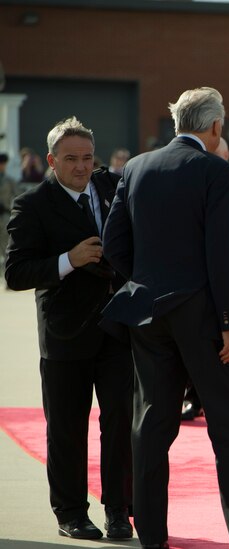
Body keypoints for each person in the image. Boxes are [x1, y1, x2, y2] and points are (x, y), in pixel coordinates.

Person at [102, 88, 229, 549]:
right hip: (203, 316)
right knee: (228, 424)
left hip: (147, 313)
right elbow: (220, 254)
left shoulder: (138, 167)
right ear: (214, 127)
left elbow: (112, 245)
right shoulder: (213, 169)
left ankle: (150, 536)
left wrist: (145, 280)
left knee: (151, 426)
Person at [5, 118, 133, 541]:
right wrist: (68, 260)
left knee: (119, 424)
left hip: (117, 330)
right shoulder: (32, 205)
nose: (81, 167)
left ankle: (118, 510)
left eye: (87, 158)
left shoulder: (113, 188)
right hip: (64, 335)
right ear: (51, 161)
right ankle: (71, 513)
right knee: (66, 429)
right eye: (71, 159)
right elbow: (16, 272)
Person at [180, 137, 229, 422]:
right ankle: (193, 400)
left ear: (228, 156)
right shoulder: (192, 188)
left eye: (218, 154)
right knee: (192, 349)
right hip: (195, 286)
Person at [0, 152, 20, 276]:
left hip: (5, 215)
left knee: (7, 247)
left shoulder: (9, 180)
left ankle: (6, 276)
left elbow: (18, 196)